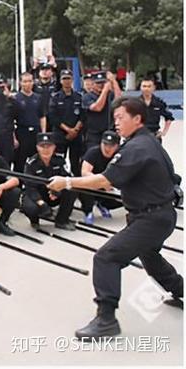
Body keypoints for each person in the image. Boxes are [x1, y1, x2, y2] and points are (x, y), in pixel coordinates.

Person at [48, 96, 183, 339]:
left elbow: (103, 180)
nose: (116, 123)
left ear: (138, 119)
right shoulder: (149, 142)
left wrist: (66, 182)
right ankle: (180, 289)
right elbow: (171, 176)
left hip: (150, 218)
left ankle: (106, 319)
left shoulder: (136, 147)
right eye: (115, 118)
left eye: (121, 118)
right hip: (159, 215)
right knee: (150, 256)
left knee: (106, 257)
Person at [22, 132, 77, 230]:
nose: (45, 149)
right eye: (42, 146)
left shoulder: (60, 160)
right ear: (37, 147)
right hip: (38, 194)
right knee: (30, 207)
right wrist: (41, 203)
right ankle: (34, 220)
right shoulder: (31, 163)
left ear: (54, 147)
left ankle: (62, 220)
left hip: (55, 193)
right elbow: (30, 187)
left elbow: (67, 177)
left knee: (72, 188)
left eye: (49, 146)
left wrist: (58, 191)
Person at [79, 130, 123, 225]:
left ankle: (103, 204)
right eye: (105, 144)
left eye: (111, 146)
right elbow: (85, 172)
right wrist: (102, 182)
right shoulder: (93, 152)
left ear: (117, 146)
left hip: (111, 185)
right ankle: (88, 211)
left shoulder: (121, 155)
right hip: (94, 183)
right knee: (84, 184)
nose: (107, 148)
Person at [48, 69, 84, 175]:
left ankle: (77, 189)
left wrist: (75, 130)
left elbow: (83, 116)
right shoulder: (55, 97)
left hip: (76, 135)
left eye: (69, 78)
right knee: (58, 162)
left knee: (76, 163)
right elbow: (53, 117)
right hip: (60, 135)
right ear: (60, 81)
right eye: (64, 78)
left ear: (72, 80)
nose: (67, 81)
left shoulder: (78, 97)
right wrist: (68, 130)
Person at [13, 72, 46, 173]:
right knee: (20, 162)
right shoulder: (15, 99)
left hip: (36, 132)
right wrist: (14, 138)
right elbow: (11, 120)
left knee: (37, 161)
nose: (28, 84)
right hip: (22, 133)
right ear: (20, 83)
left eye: (30, 81)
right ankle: (19, 185)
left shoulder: (38, 97)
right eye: (25, 81)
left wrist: (43, 133)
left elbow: (42, 116)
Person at [82, 71, 122, 149]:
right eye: (98, 83)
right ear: (93, 84)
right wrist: (105, 91)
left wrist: (113, 81)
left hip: (110, 131)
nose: (101, 85)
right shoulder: (87, 97)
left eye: (102, 83)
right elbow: (98, 107)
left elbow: (119, 100)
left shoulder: (110, 94)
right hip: (94, 134)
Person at [139, 77, 174, 142]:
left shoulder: (159, 103)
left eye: (149, 86)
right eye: (144, 86)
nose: (146, 89)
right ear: (140, 87)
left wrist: (164, 132)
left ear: (153, 88)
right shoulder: (134, 102)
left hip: (154, 136)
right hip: (139, 136)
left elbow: (169, 118)